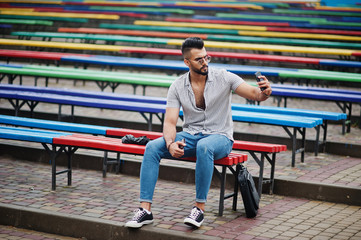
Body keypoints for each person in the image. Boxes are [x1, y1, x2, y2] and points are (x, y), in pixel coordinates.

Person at [125, 37, 272, 228]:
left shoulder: (224, 77)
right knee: (152, 147)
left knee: (204, 146)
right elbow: (170, 122)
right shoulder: (177, 86)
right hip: (191, 135)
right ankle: (145, 210)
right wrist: (170, 144)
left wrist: (265, 92)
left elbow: (255, 94)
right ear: (187, 62)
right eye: (199, 59)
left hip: (220, 137)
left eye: (206, 57)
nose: (205, 62)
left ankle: (199, 209)